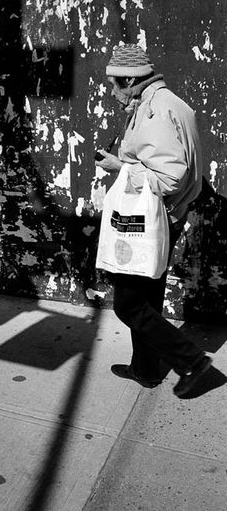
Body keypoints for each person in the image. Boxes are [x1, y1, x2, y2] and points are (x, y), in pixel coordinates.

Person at [95, 43, 211, 397]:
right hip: (169, 215)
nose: (114, 94)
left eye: (116, 85)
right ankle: (146, 369)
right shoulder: (166, 102)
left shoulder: (154, 113)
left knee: (128, 305)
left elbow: (170, 177)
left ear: (131, 79)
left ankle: (191, 360)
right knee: (148, 296)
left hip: (155, 217)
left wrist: (121, 167)